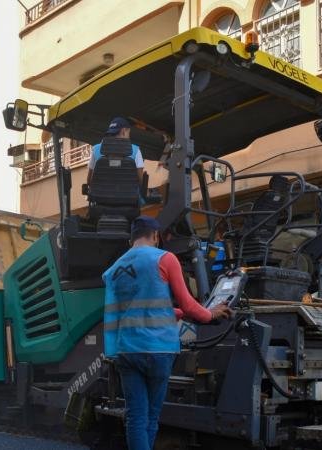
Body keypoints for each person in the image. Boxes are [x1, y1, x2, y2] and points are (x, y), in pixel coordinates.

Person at [103, 216, 232, 450]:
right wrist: (211, 314)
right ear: (155, 236)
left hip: (127, 350)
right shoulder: (164, 258)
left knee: (135, 417)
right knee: (151, 417)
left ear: (132, 238)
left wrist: (175, 312)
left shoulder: (113, 270)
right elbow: (189, 303)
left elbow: (135, 308)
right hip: (158, 350)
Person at [87, 117, 145, 185]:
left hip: (102, 194)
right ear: (124, 131)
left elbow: (89, 180)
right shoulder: (135, 150)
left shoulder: (96, 149)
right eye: (129, 132)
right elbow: (141, 181)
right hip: (128, 194)